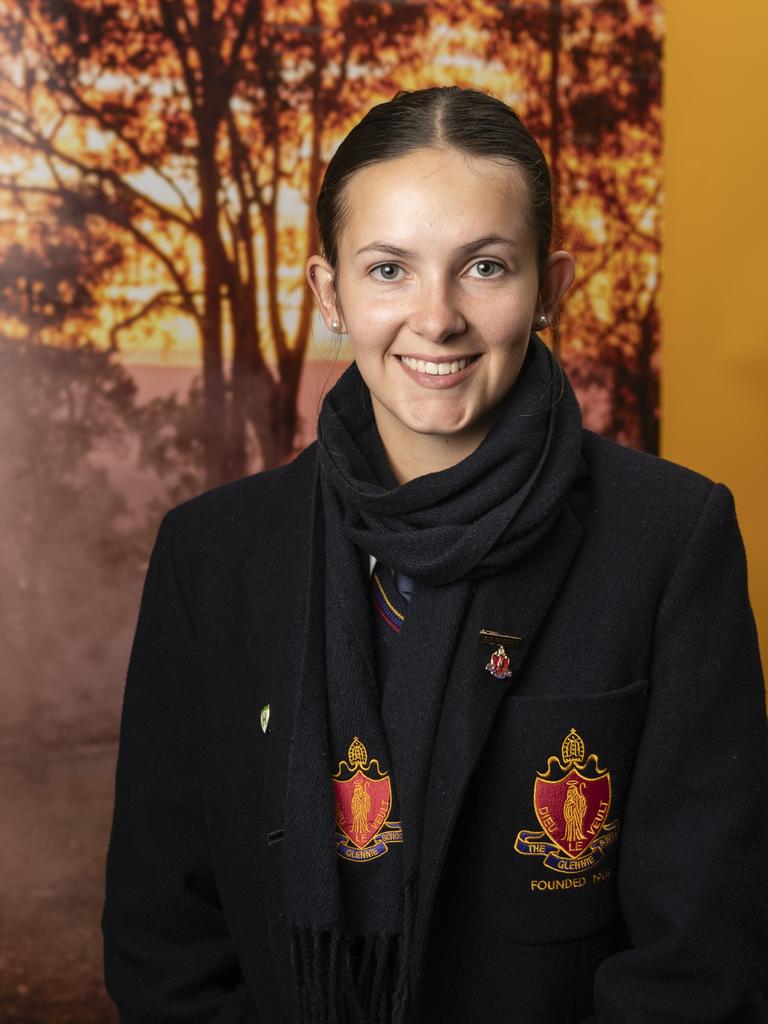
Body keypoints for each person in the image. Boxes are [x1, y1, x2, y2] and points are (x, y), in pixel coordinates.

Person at [101, 86, 768, 1023]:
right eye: (388, 270)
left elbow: (699, 960)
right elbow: (162, 933)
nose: (437, 317)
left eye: (485, 266)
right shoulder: (210, 555)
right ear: (329, 294)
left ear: (552, 289)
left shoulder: (671, 540)